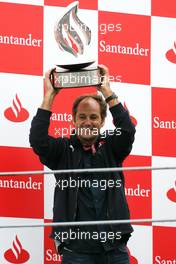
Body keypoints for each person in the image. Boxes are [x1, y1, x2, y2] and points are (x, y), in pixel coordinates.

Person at [29, 65, 136, 264]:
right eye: (82, 117)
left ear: (103, 121)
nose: (88, 122)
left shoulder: (112, 147)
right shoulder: (62, 150)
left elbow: (128, 130)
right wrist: (50, 96)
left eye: (94, 117)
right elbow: (37, 140)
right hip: (76, 252)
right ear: (73, 120)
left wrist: (107, 91)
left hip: (114, 250)